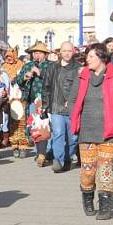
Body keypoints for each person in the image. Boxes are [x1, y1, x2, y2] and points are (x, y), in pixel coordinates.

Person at [69, 43, 113, 220]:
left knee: (105, 168)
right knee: (88, 172)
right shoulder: (82, 76)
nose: (87, 60)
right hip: (87, 130)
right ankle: (88, 198)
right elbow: (73, 99)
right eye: (87, 57)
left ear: (101, 58)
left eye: (90, 57)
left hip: (110, 131)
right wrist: (74, 116)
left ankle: (105, 206)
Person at [41, 41, 80, 172]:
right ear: (60, 52)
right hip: (56, 105)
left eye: (69, 51)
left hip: (73, 108)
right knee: (58, 133)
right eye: (64, 51)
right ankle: (58, 160)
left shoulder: (78, 68)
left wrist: (74, 101)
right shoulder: (53, 67)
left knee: (73, 137)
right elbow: (46, 87)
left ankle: (68, 158)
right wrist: (45, 105)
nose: (67, 53)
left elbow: (82, 88)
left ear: (73, 51)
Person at [16, 41, 53, 167]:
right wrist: (25, 77)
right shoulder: (28, 65)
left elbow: (54, 80)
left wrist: (40, 73)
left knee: (47, 127)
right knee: (35, 127)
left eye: (39, 53)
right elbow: (18, 81)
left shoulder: (50, 65)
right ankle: (39, 153)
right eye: (34, 53)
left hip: (47, 100)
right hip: (32, 101)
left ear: (45, 54)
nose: (36, 55)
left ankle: (48, 152)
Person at [2, 48, 32, 157]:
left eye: (10, 56)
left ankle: (23, 146)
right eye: (7, 56)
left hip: (20, 97)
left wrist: (19, 79)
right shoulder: (3, 67)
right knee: (13, 124)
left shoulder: (21, 65)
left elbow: (25, 80)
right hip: (10, 99)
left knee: (22, 123)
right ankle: (14, 145)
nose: (9, 58)